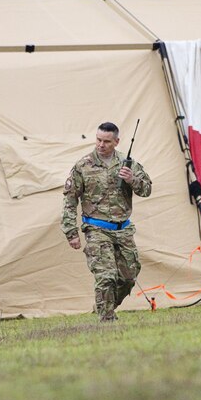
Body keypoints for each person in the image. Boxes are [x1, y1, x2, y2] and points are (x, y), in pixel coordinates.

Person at [62, 122, 152, 322]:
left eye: (106, 141)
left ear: (116, 142)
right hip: (96, 228)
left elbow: (146, 189)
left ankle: (104, 305)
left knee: (129, 277)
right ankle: (107, 320)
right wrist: (71, 231)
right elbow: (69, 200)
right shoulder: (83, 166)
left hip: (123, 229)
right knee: (106, 276)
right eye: (98, 140)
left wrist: (132, 180)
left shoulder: (127, 164)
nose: (101, 145)